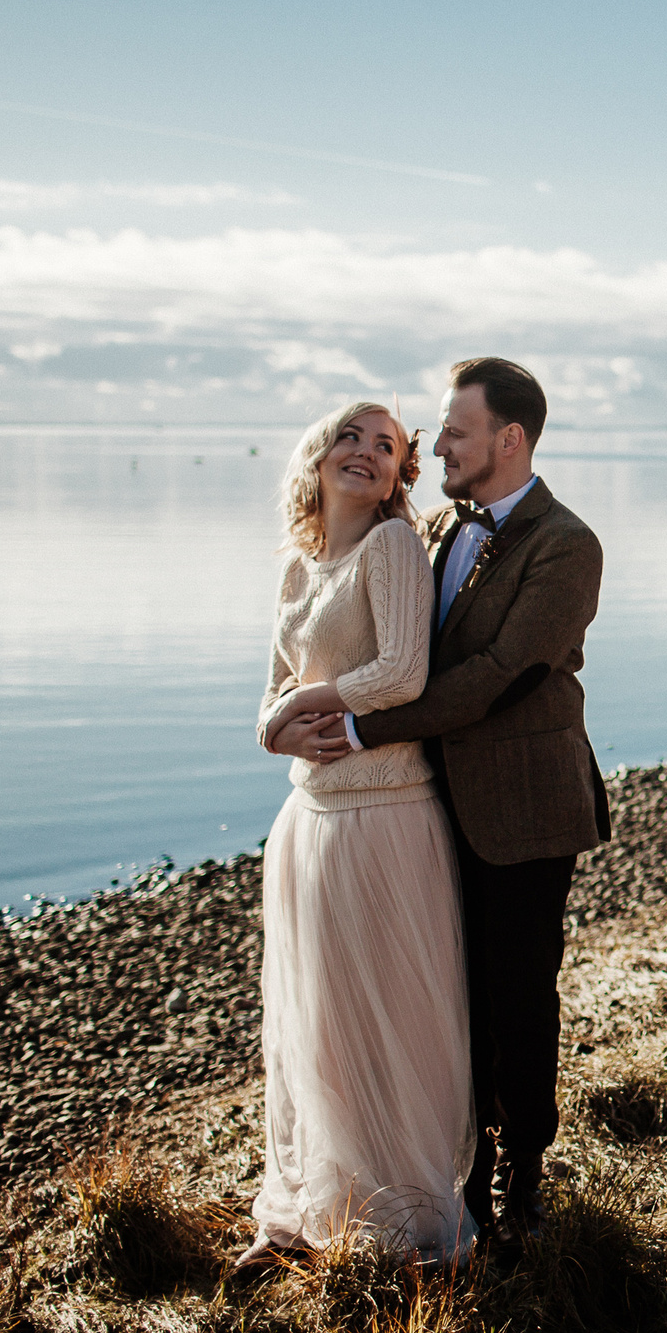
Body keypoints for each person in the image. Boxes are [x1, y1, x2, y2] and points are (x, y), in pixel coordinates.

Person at [281, 357, 610, 1247]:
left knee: (516, 993)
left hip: (522, 807)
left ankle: (521, 1177)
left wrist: (356, 731)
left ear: (510, 438)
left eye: (456, 431)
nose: (441, 446)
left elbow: (497, 677)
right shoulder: (429, 530)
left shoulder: (567, 544)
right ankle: (441, 1167)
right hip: (422, 807)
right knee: (442, 994)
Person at [243, 402, 476, 1268]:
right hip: (306, 821)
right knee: (318, 1026)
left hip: (382, 814)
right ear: (316, 457)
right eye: (350, 436)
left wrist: (309, 704)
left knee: (390, 1022)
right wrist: (275, 728)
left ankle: (407, 1225)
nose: (366, 453)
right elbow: (267, 695)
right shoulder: (301, 567)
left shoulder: (392, 549)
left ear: (397, 477)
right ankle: (310, 1214)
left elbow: (403, 672)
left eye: (386, 447)